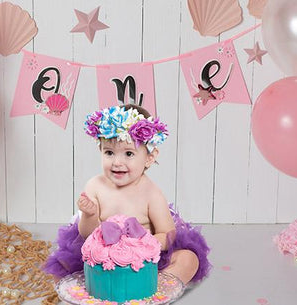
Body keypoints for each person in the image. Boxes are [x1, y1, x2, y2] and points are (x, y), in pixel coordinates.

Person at [44, 104, 211, 286]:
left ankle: (154, 287)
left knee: (188, 259)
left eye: (129, 153)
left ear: (149, 157)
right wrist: (90, 215)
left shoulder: (151, 192)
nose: (117, 162)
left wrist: (143, 246)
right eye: (109, 152)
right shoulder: (95, 186)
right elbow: (86, 235)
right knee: (60, 268)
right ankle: (101, 287)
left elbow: (168, 233)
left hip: (144, 261)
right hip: (103, 259)